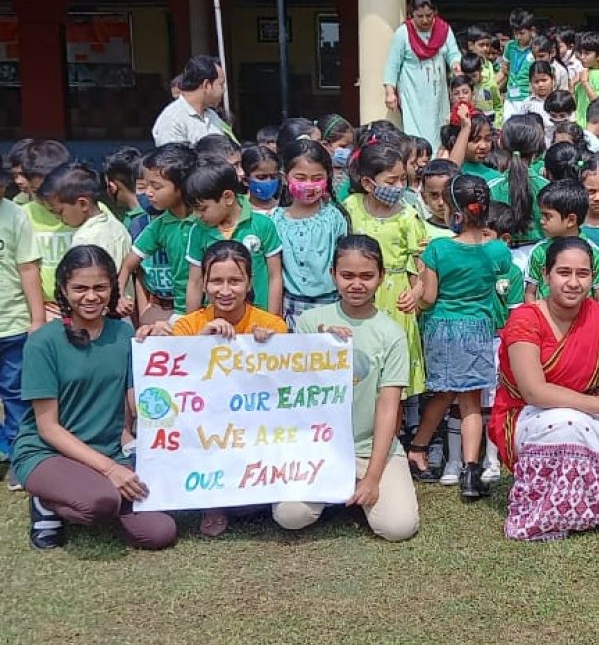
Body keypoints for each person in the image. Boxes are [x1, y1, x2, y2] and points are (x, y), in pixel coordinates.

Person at [14, 245, 177, 550]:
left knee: (160, 532)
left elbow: (137, 405)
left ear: (113, 288)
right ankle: (46, 502)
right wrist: (109, 470)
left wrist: (159, 350)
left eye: (100, 287)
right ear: (63, 288)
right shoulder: (43, 342)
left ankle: (94, 490)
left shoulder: (124, 334)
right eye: (80, 288)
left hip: (109, 450)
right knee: (100, 501)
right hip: (48, 452)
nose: (91, 297)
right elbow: (48, 428)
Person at [489, 237, 599, 541]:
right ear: (546, 275)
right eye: (564, 273)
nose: (574, 282)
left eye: (583, 274)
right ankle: (546, 514)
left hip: (586, 410)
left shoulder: (598, 316)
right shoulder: (525, 319)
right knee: (563, 423)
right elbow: (535, 392)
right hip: (526, 416)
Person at [274, 235, 420, 541]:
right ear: (333, 275)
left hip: (371, 449)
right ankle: (338, 491)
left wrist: (373, 477)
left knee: (399, 527)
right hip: (319, 448)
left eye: (367, 276)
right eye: (347, 275)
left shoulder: (391, 334)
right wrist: (321, 343)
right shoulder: (310, 322)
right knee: (290, 516)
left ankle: (357, 488)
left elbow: (388, 407)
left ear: (381, 277)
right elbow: (295, 388)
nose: (357, 284)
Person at [139, 240, 287, 536]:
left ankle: (252, 491)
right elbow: (174, 389)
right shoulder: (187, 326)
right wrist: (199, 345)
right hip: (204, 428)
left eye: (235, 281)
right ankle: (212, 504)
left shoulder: (272, 325)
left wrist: (270, 347)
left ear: (249, 283)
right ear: (203, 283)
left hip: (251, 425)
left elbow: (280, 391)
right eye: (216, 281)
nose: (225, 290)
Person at [406, 176, 512, 498]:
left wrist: (418, 288)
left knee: (442, 393)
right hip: (477, 329)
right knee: (470, 402)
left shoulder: (438, 248)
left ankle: (417, 448)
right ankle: (470, 471)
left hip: (441, 328)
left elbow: (430, 297)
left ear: (452, 209)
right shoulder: (498, 250)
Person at [344, 139, 427, 398]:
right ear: (369, 183)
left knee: (392, 375)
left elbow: (420, 265)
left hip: (396, 297)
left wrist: (416, 293)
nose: (399, 187)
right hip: (359, 293)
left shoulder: (408, 216)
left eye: (403, 179)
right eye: (391, 182)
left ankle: (394, 432)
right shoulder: (351, 207)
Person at [183, 160, 283, 317]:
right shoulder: (198, 230)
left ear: (228, 197)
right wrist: (193, 327)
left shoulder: (262, 224)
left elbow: (275, 276)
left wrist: (273, 319)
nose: (197, 215)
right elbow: (195, 282)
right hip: (216, 321)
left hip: (258, 320)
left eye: (202, 209)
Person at [270, 140, 349, 329]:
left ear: (327, 177)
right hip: (290, 306)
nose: (309, 185)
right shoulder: (276, 220)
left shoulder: (334, 217)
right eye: (301, 177)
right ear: (285, 177)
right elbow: (274, 272)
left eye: (316, 178)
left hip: (330, 304)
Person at [0, 165, 44, 489]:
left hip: (12, 323)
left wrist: (37, 318)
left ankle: (19, 456)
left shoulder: (15, 216)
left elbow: (28, 268)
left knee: (16, 394)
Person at [117, 144, 198, 321]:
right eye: (146, 186)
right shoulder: (160, 225)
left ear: (182, 186)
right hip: (179, 312)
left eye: (156, 187)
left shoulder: (206, 221)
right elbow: (128, 264)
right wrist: (119, 295)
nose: (148, 193)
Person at [382, 0, 462, 146]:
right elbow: (393, 64)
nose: (425, 20)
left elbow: (453, 53)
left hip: (438, 94)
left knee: (439, 128)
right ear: (411, 14)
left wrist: (455, 64)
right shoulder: (402, 34)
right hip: (413, 94)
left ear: (435, 13)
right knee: (415, 132)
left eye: (429, 15)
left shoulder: (444, 29)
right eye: (419, 16)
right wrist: (390, 92)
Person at [39, 163, 131, 279]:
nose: (58, 218)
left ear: (83, 204)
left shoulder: (85, 239)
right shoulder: (117, 226)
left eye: (60, 212)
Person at [525, 180, 599, 303]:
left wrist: (595, 322)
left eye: (547, 216)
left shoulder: (594, 253)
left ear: (571, 220)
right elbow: (530, 292)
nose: (542, 221)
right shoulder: (539, 252)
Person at [487, 116, 550, 267]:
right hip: (542, 259)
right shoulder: (547, 187)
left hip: (501, 259)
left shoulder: (491, 187)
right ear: (537, 146)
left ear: (501, 143)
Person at [20, 140, 73, 309]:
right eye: (38, 192)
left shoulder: (87, 210)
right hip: (44, 310)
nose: (47, 200)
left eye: (52, 191)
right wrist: (39, 313)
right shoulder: (22, 216)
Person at [151, 55, 230, 146]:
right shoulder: (173, 120)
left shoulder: (212, 115)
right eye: (221, 84)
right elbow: (174, 158)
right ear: (207, 85)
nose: (224, 90)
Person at [242, 145, 281, 214]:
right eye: (261, 177)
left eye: (273, 176)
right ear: (246, 180)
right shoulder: (239, 212)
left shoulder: (285, 209)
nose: (268, 181)